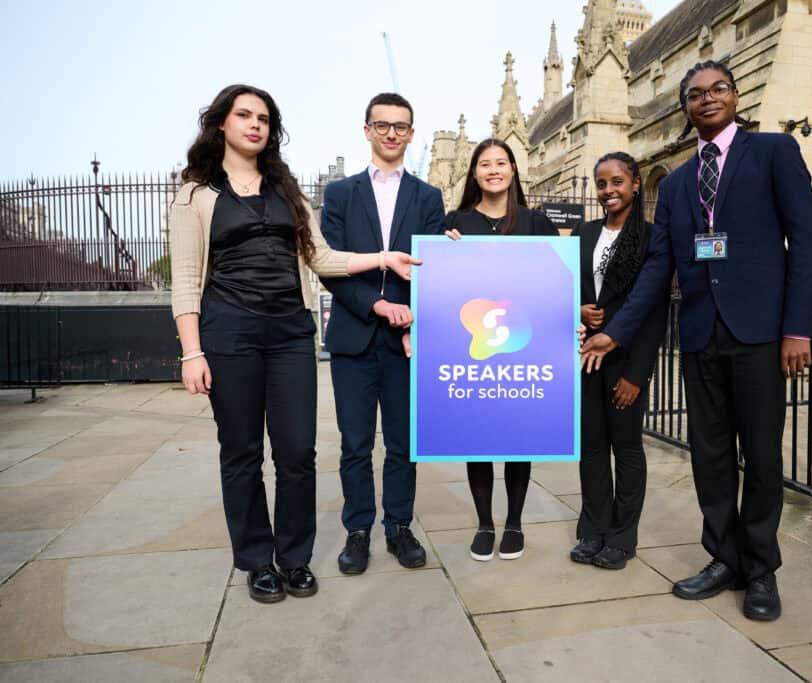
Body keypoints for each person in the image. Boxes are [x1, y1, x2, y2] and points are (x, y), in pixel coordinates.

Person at [580, 60, 812, 621]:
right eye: (695, 94)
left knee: (761, 455)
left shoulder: (773, 153)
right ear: (685, 107)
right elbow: (657, 265)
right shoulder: (679, 183)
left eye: (717, 89)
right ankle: (723, 558)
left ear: (735, 96)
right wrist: (614, 333)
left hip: (761, 333)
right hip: (699, 335)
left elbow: (807, 240)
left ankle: (760, 570)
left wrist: (796, 328)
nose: (707, 99)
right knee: (710, 457)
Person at [170, 84, 420, 604]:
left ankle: (294, 558)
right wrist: (192, 351)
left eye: (263, 118)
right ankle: (257, 561)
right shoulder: (195, 193)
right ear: (222, 124)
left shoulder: (287, 191)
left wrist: (382, 258)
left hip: (289, 334)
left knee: (297, 452)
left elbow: (323, 258)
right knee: (241, 452)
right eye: (244, 115)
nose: (255, 125)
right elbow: (187, 278)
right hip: (229, 333)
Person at [319, 93, 445, 575]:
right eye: (382, 124)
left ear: (411, 134)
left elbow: (435, 266)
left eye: (401, 126)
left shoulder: (429, 197)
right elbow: (330, 266)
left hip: (407, 341)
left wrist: (408, 312)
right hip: (354, 336)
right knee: (354, 444)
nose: (392, 133)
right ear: (367, 129)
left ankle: (398, 527)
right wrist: (376, 304)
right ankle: (357, 531)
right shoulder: (340, 194)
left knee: (403, 444)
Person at [443, 138, 559, 561]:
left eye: (501, 163)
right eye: (485, 164)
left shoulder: (537, 223)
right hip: (473, 350)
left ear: (513, 169)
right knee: (478, 438)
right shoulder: (453, 224)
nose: (493, 170)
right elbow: (441, 285)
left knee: (517, 439)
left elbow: (554, 287)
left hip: (523, 350)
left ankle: (513, 522)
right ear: (473, 174)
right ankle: (484, 524)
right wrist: (444, 250)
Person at [569, 152, 668, 570]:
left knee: (625, 449)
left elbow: (653, 309)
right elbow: (564, 287)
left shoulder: (650, 237)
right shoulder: (583, 233)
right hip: (586, 358)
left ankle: (623, 536)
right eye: (602, 183)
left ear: (634, 184)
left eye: (617, 182)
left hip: (626, 360)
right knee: (591, 448)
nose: (609, 190)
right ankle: (593, 529)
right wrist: (578, 309)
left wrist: (637, 375)